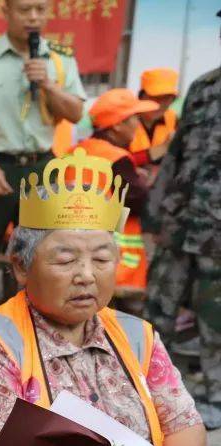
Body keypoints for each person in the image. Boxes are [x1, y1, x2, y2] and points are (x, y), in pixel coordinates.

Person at [0, 150, 207, 446]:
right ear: (21, 266)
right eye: (65, 260)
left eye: (102, 259)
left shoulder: (139, 336)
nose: (86, 275)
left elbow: (185, 426)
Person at [0, 0, 86, 298]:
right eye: (24, 10)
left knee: (45, 257)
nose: (33, 17)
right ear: (6, 12)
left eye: (40, 9)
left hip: (42, 169)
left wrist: (47, 83)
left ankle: (37, 330)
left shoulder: (60, 60)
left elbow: (75, 113)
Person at [142, 43, 221, 430]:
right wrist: (155, 214)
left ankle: (214, 398)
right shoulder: (204, 87)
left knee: (216, 318)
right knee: (159, 308)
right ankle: (148, 388)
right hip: (182, 222)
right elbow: (176, 154)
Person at [69, 89, 160, 294]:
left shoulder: (76, 150)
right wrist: (148, 184)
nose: (138, 125)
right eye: (134, 119)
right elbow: (139, 201)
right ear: (117, 125)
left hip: (74, 251)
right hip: (113, 262)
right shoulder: (117, 159)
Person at [129, 67, 179, 166]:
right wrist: (162, 148)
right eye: (154, 97)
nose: (160, 104)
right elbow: (115, 162)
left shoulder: (174, 120)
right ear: (141, 96)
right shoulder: (124, 119)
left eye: (166, 98)